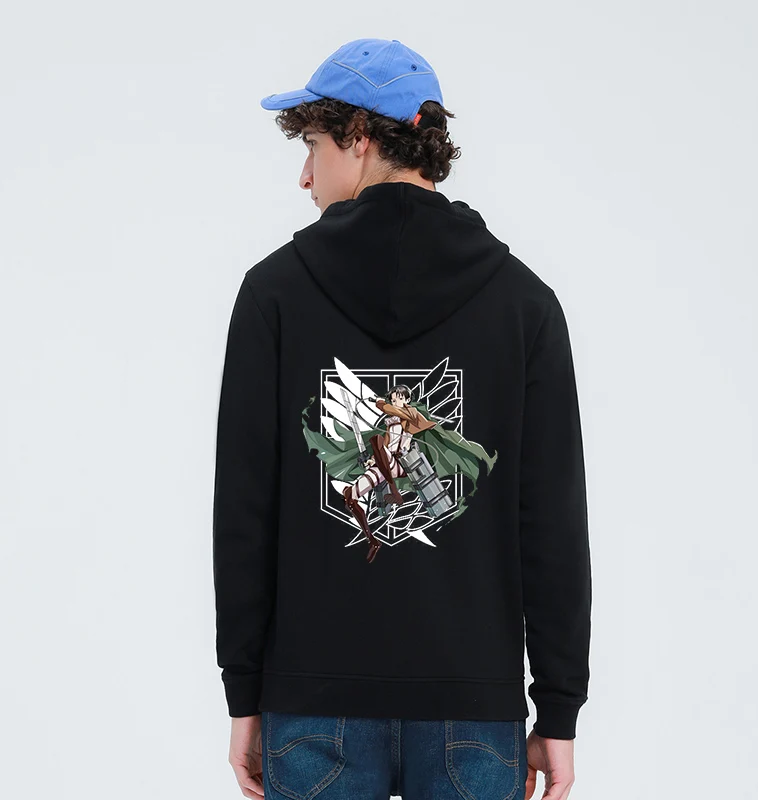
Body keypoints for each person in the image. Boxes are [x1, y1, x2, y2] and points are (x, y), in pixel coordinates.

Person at [212, 37, 592, 800]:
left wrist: (245, 694)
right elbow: (551, 524)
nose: (304, 175)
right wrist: (557, 709)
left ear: (359, 137)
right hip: (471, 704)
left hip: (312, 699)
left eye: (313, 146)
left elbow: (245, 514)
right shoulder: (524, 305)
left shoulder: (273, 295)